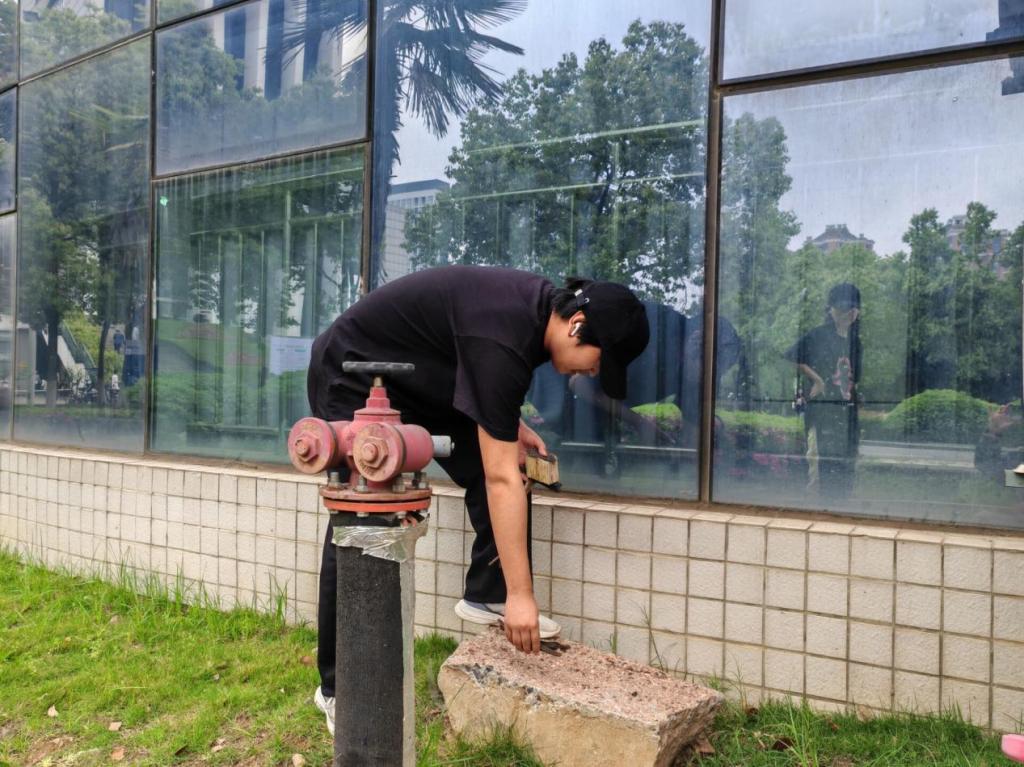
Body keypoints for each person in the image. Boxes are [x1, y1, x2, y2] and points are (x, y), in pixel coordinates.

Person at [306, 265, 649, 735]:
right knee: (359, 515)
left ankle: (489, 592)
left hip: (424, 381)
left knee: (514, 466)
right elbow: (497, 476)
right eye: (597, 362)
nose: (591, 373)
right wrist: (524, 597)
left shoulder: (529, 320)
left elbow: (482, 374)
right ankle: (336, 688)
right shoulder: (505, 332)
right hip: (354, 371)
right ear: (576, 325)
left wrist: (508, 424)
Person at [784, 282, 863, 500]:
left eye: (853, 309)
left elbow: (854, 380)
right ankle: (821, 506)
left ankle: (841, 504)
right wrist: (817, 381)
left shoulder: (855, 342)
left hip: (846, 414)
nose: (848, 313)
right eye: (842, 308)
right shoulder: (818, 335)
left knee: (847, 462)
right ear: (831, 310)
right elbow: (792, 356)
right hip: (822, 413)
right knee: (820, 464)